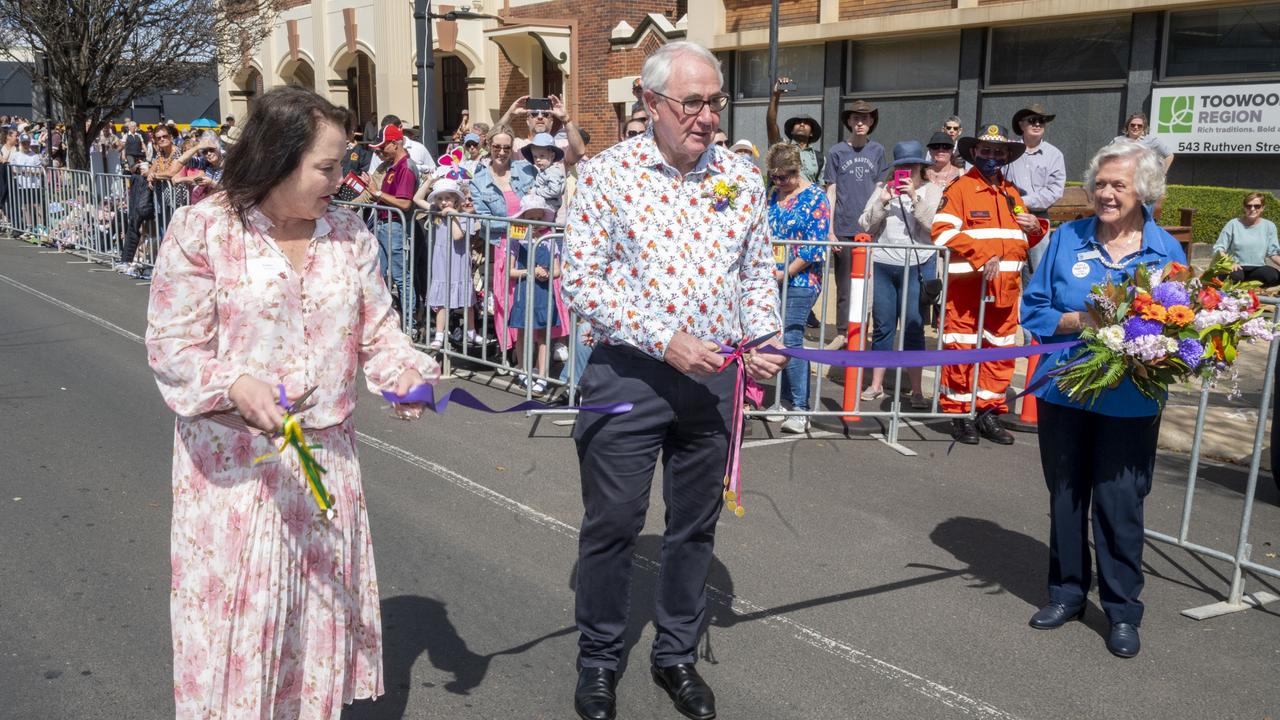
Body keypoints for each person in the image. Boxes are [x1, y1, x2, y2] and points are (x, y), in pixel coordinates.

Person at [144, 85, 439, 718]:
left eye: (343, 164)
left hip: (323, 466)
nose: (343, 178)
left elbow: (380, 332)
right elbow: (172, 345)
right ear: (278, 159)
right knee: (243, 633)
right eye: (328, 167)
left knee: (312, 632)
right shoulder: (205, 229)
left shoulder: (348, 233)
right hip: (236, 479)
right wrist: (235, 384)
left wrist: (403, 376)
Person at [562, 40, 785, 720]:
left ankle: (676, 655)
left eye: (715, 102)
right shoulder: (605, 175)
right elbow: (581, 282)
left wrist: (767, 335)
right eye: (693, 102)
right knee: (615, 523)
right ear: (651, 104)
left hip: (715, 377)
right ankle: (599, 658)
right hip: (628, 374)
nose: (708, 116)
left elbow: (755, 274)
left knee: (694, 526)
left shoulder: (741, 179)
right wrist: (664, 340)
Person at [1022, 140, 1183, 659]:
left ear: (1145, 191)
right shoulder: (1066, 239)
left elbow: (1184, 327)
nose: (1106, 194)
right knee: (1066, 498)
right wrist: (1081, 320)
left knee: (1119, 506)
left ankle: (1121, 609)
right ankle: (1067, 593)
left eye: (1119, 185)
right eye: (1101, 184)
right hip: (1063, 391)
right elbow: (1035, 310)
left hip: (1130, 400)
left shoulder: (1166, 252)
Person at [931, 123, 1047, 445]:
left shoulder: (1011, 194)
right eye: (986, 151)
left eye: (998, 152)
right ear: (974, 153)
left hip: (1006, 292)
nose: (992, 156)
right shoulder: (958, 190)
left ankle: (987, 413)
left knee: (999, 355)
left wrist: (1036, 227)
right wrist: (981, 255)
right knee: (962, 352)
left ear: (1007, 156)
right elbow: (942, 232)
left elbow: (1024, 237)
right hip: (968, 291)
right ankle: (959, 415)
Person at [858, 140, 942, 408]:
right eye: (901, 166)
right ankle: (876, 385)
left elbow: (936, 228)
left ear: (922, 166)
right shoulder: (882, 189)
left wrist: (915, 199)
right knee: (883, 327)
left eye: (912, 166)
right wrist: (882, 203)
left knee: (913, 327)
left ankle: (916, 390)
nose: (906, 171)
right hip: (884, 263)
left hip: (918, 264)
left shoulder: (933, 191)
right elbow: (865, 225)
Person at [766, 142, 829, 433]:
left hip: (801, 280)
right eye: (774, 177)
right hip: (772, 277)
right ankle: (785, 399)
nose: (780, 182)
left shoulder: (815, 197)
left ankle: (801, 408)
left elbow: (814, 247)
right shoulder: (773, 196)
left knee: (791, 337)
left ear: (798, 169)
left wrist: (785, 273)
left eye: (785, 176)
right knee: (776, 339)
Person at [470, 126, 538, 364]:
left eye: (506, 147)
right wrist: (516, 224)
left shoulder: (526, 170)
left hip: (532, 244)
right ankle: (508, 350)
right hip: (502, 246)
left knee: (531, 298)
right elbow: (486, 221)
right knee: (505, 301)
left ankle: (532, 355)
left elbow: (538, 203)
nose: (501, 152)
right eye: (497, 147)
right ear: (489, 147)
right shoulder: (479, 181)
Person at [825, 99, 888, 339]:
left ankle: (862, 331)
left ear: (872, 122)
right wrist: (830, 231)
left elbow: (879, 189)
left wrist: (875, 223)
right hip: (843, 227)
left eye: (865, 118)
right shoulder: (836, 151)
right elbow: (831, 191)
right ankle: (843, 333)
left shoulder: (878, 151)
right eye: (856, 118)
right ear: (849, 122)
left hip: (870, 229)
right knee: (845, 286)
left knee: (868, 287)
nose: (860, 122)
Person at [416, 177, 482, 350]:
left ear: (456, 199)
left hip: (459, 260)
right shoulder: (436, 213)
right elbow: (416, 199)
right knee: (442, 300)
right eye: (439, 198)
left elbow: (458, 236)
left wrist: (452, 216)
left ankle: (471, 331)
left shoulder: (464, 216)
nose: (443, 202)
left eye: (447, 198)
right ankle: (439, 334)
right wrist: (429, 181)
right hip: (441, 261)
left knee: (466, 298)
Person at [508, 195, 561, 394]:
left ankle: (543, 373)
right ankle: (522, 368)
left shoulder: (550, 241)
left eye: (539, 219)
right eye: (531, 218)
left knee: (544, 336)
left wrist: (546, 273)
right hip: (524, 293)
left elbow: (557, 270)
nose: (535, 224)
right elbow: (510, 272)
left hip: (544, 295)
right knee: (522, 332)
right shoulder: (517, 241)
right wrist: (530, 272)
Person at [765, 75, 824, 184]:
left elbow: (822, 186)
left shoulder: (819, 158)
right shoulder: (782, 147)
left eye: (806, 123)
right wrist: (775, 96)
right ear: (791, 131)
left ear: (811, 133)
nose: (802, 124)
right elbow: (771, 124)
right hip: (783, 198)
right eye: (798, 122)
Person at [1215, 192, 1280, 287]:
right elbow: (1219, 248)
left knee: (1275, 276)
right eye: (1248, 206)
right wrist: (1229, 263)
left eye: (1257, 206)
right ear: (1244, 207)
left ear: (1262, 208)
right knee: (1235, 277)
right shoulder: (1233, 224)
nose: (1252, 209)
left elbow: (1273, 253)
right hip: (1235, 267)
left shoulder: (1269, 226)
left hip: (1257, 268)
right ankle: (1233, 292)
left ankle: (1253, 289)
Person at [520, 132, 567, 215]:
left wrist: (536, 192)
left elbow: (554, 191)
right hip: (545, 205)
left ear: (552, 156)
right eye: (535, 156)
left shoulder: (553, 172)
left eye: (542, 156)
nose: (538, 160)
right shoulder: (545, 171)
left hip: (549, 206)